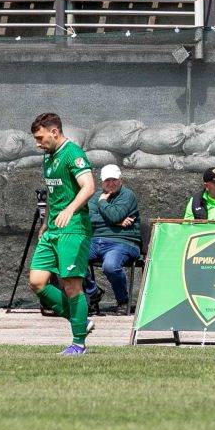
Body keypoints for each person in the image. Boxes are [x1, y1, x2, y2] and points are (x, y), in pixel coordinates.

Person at [27, 113, 96, 356]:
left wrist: (70, 209)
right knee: (36, 281)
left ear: (54, 132)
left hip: (73, 228)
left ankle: (78, 343)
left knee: (71, 285)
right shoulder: (48, 158)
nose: (37, 143)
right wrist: (45, 223)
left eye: (40, 137)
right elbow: (53, 195)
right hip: (53, 229)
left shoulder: (73, 153)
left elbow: (89, 186)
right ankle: (80, 320)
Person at [84, 164, 141, 316]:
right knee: (71, 259)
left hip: (123, 242)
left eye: (114, 180)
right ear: (102, 182)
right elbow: (89, 219)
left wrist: (103, 203)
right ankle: (93, 291)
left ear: (120, 180)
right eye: (107, 180)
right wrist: (116, 222)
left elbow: (115, 215)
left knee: (110, 266)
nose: (111, 183)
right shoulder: (95, 196)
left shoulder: (127, 195)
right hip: (95, 241)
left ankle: (122, 301)